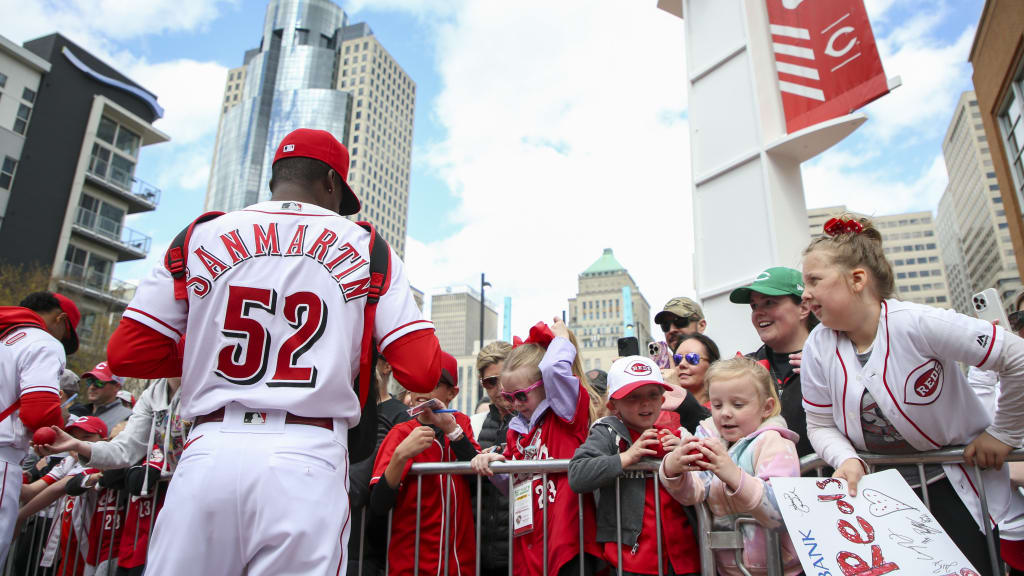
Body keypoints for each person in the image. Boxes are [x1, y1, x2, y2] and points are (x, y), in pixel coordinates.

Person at [98, 128, 444, 575]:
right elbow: (421, 371)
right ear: (331, 183)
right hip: (307, 452)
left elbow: (127, 354)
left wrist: (205, 349)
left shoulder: (201, 234)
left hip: (208, 449)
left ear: (275, 180)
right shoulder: (368, 245)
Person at [800, 215, 1024, 575]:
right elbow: (820, 423)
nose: (805, 293)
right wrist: (845, 458)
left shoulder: (918, 322)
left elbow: (1016, 356)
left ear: (857, 279)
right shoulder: (817, 345)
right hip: (882, 498)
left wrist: (1004, 433)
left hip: (958, 492)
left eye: (814, 280)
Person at [471, 318, 603, 576]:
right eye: (509, 397)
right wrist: (492, 465)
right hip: (529, 543)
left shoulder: (565, 416)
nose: (515, 404)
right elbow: (511, 484)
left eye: (521, 395)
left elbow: (554, 369)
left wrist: (562, 340)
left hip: (567, 543)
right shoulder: (516, 432)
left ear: (547, 387)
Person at [661, 357, 801, 576]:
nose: (725, 413)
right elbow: (694, 493)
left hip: (780, 568)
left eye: (738, 404)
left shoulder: (774, 441)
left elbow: (781, 509)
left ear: (767, 407)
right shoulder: (708, 438)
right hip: (726, 567)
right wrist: (673, 469)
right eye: (717, 405)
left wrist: (733, 475)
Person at [40, 371, 187, 576]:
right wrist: (78, 445)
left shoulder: (206, 385)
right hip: (132, 542)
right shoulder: (153, 393)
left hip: (194, 508)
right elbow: (124, 449)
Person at [569, 356, 701, 576]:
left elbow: (707, 479)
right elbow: (577, 474)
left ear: (663, 398)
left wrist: (683, 451)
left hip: (684, 558)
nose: (645, 403)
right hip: (631, 560)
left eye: (653, 394)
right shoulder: (607, 432)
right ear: (614, 405)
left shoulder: (676, 432)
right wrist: (627, 457)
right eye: (633, 397)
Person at [369, 352, 479, 575]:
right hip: (411, 563)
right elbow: (378, 505)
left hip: (458, 563)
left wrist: (453, 432)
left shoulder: (462, 424)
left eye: (433, 382)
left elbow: (476, 485)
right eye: (417, 380)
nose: (423, 388)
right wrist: (400, 456)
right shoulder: (400, 432)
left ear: (452, 392)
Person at [0, 291, 77, 564]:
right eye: (65, 335)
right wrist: (54, 429)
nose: (61, 342)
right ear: (60, 319)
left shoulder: (4, 337)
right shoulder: (43, 341)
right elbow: (39, 414)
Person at [730, 266, 817, 458]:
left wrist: (828, 371)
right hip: (761, 486)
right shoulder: (745, 367)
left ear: (803, 308)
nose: (759, 312)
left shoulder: (834, 360)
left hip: (827, 483)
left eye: (769, 303)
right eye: (754, 306)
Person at [473, 340, 514, 575]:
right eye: (490, 382)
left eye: (504, 378)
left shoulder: (534, 422)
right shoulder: (474, 424)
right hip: (479, 549)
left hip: (520, 547)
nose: (499, 388)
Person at [69, 362, 132, 431]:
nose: (92, 387)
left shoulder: (128, 418)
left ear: (117, 387)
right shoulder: (78, 411)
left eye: (99, 383)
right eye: (90, 381)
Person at [663, 333, 720, 406]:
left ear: (712, 366)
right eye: (677, 359)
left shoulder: (720, 410)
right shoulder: (659, 411)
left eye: (692, 358)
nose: (682, 364)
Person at [651, 297, 706, 368]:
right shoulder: (661, 373)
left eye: (680, 321)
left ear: (701, 325)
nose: (671, 330)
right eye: (665, 325)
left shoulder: (719, 372)